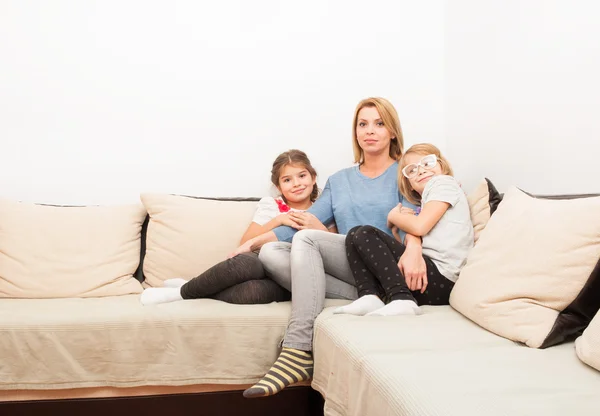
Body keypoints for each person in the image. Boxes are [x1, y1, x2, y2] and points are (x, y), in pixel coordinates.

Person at [233, 97, 425, 398]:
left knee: (307, 238)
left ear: (392, 132)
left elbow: (422, 214)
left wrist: (414, 247)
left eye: (379, 123)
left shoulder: (406, 171)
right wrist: (253, 242)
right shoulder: (340, 180)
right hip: (354, 268)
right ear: (355, 131)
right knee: (273, 251)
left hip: (391, 266)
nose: (370, 131)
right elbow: (302, 221)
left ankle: (298, 348)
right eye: (363, 124)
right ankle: (370, 296)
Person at [140, 149, 326, 306]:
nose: (297, 184)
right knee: (247, 262)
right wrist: (279, 220)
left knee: (254, 292)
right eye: (287, 180)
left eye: (302, 176)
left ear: (313, 177)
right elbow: (246, 242)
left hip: (292, 278)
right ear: (278, 186)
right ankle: (181, 293)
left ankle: (189, 287)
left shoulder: (324, 208)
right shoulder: (273, 206)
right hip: (264, 266)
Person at [335, 143, 474, 317]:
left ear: (442, 166)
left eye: (427, 163)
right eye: (412, 170)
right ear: (409, 185)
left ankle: (401, 297)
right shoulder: (427, 201)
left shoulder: (444, 184)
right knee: (354, 234)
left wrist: (394, 216)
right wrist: (398, 231)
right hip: (427, 276)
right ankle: (370, 296)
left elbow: (419, 226)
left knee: (365, 233)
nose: (422, 170)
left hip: (443, 277)